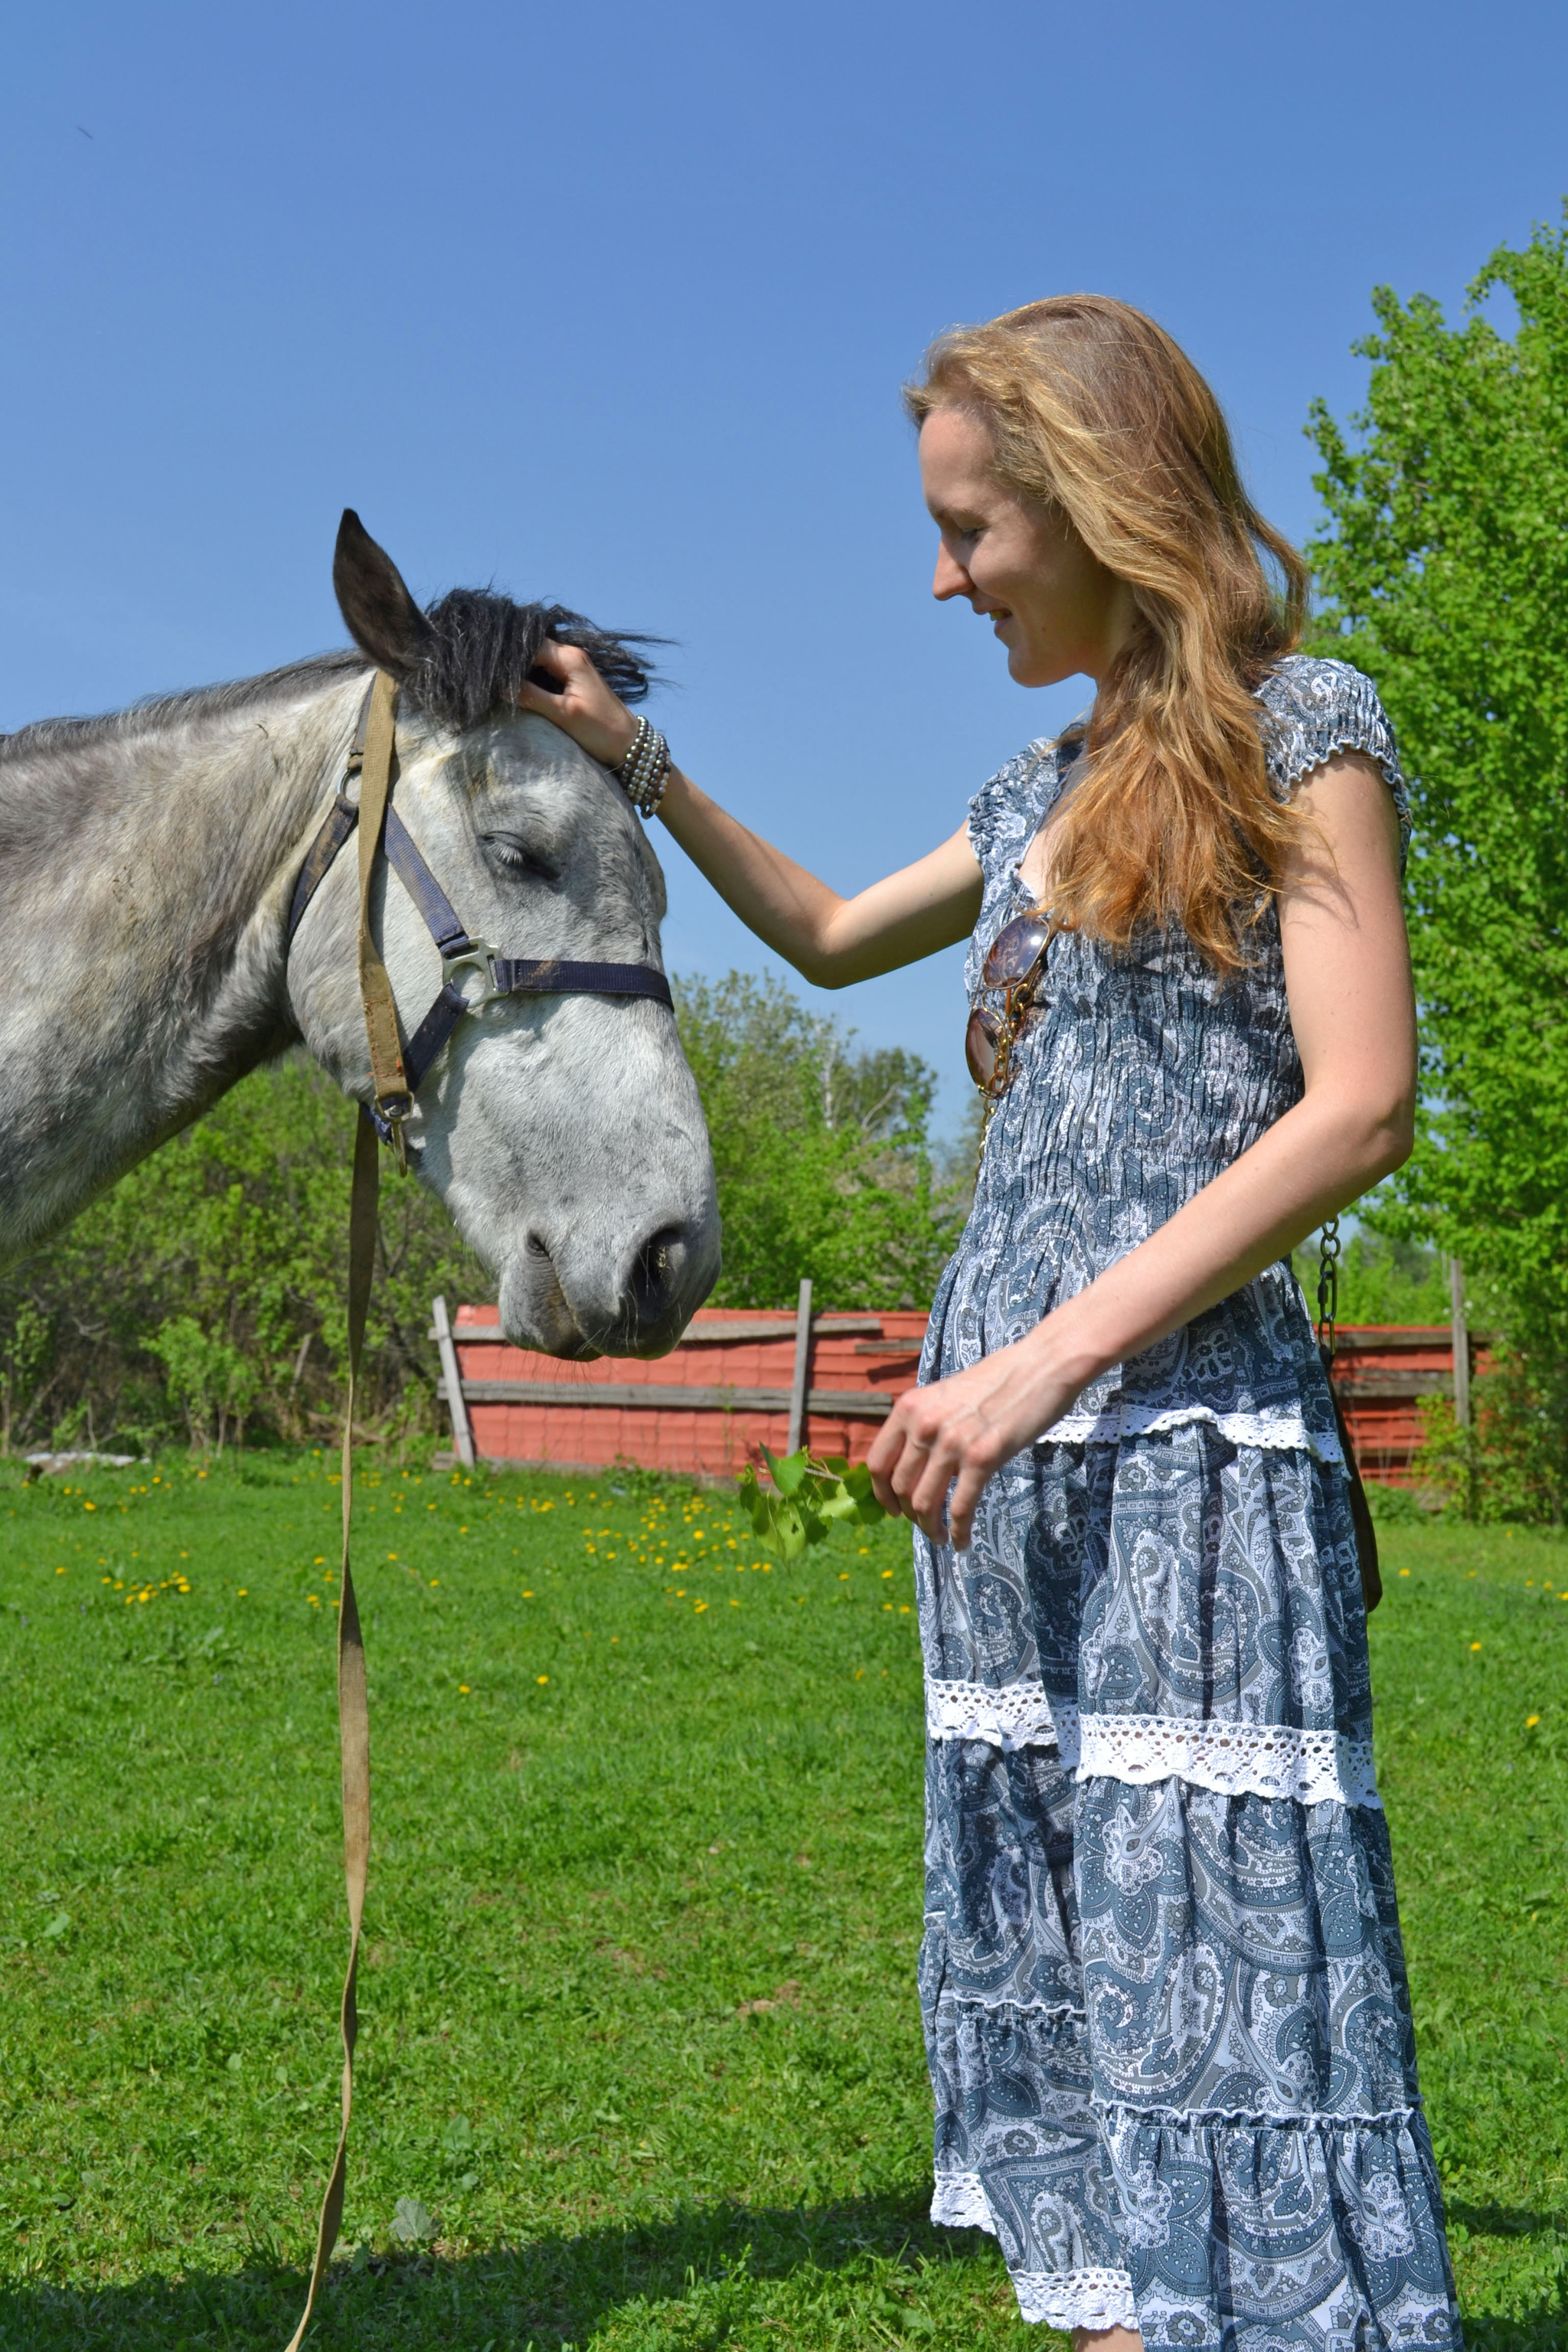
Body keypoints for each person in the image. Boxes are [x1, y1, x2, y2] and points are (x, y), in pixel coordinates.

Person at [515, 294, 1462, 2352]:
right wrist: (633, 756)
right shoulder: (1043, 774)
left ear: (1105, 502)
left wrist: (1044, 1360)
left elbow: (1364, 1101)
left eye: (972, 531)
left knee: (1212, 1922)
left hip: (1179, 1446)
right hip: (1005, 1469)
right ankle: (1121, 2319)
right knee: (1052, 1898)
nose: (941, 577)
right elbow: (838, 936)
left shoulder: (1309, 732)